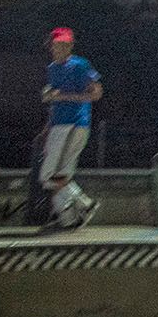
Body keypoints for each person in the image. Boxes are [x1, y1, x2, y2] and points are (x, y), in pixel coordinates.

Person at [38, 27, 103, 231]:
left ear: (71, 46)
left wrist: (63, 97)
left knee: (48, 175)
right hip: (59, 125)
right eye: (57, 45)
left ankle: (83, 203)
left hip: (74, 124)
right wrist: (48, 124)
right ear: (51, 46)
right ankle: (70, 216)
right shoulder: (52, 68)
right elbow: (54, 99)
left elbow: (96, 93)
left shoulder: (80, 65)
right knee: (60, 175)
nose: (60, 48)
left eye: (64, 45)